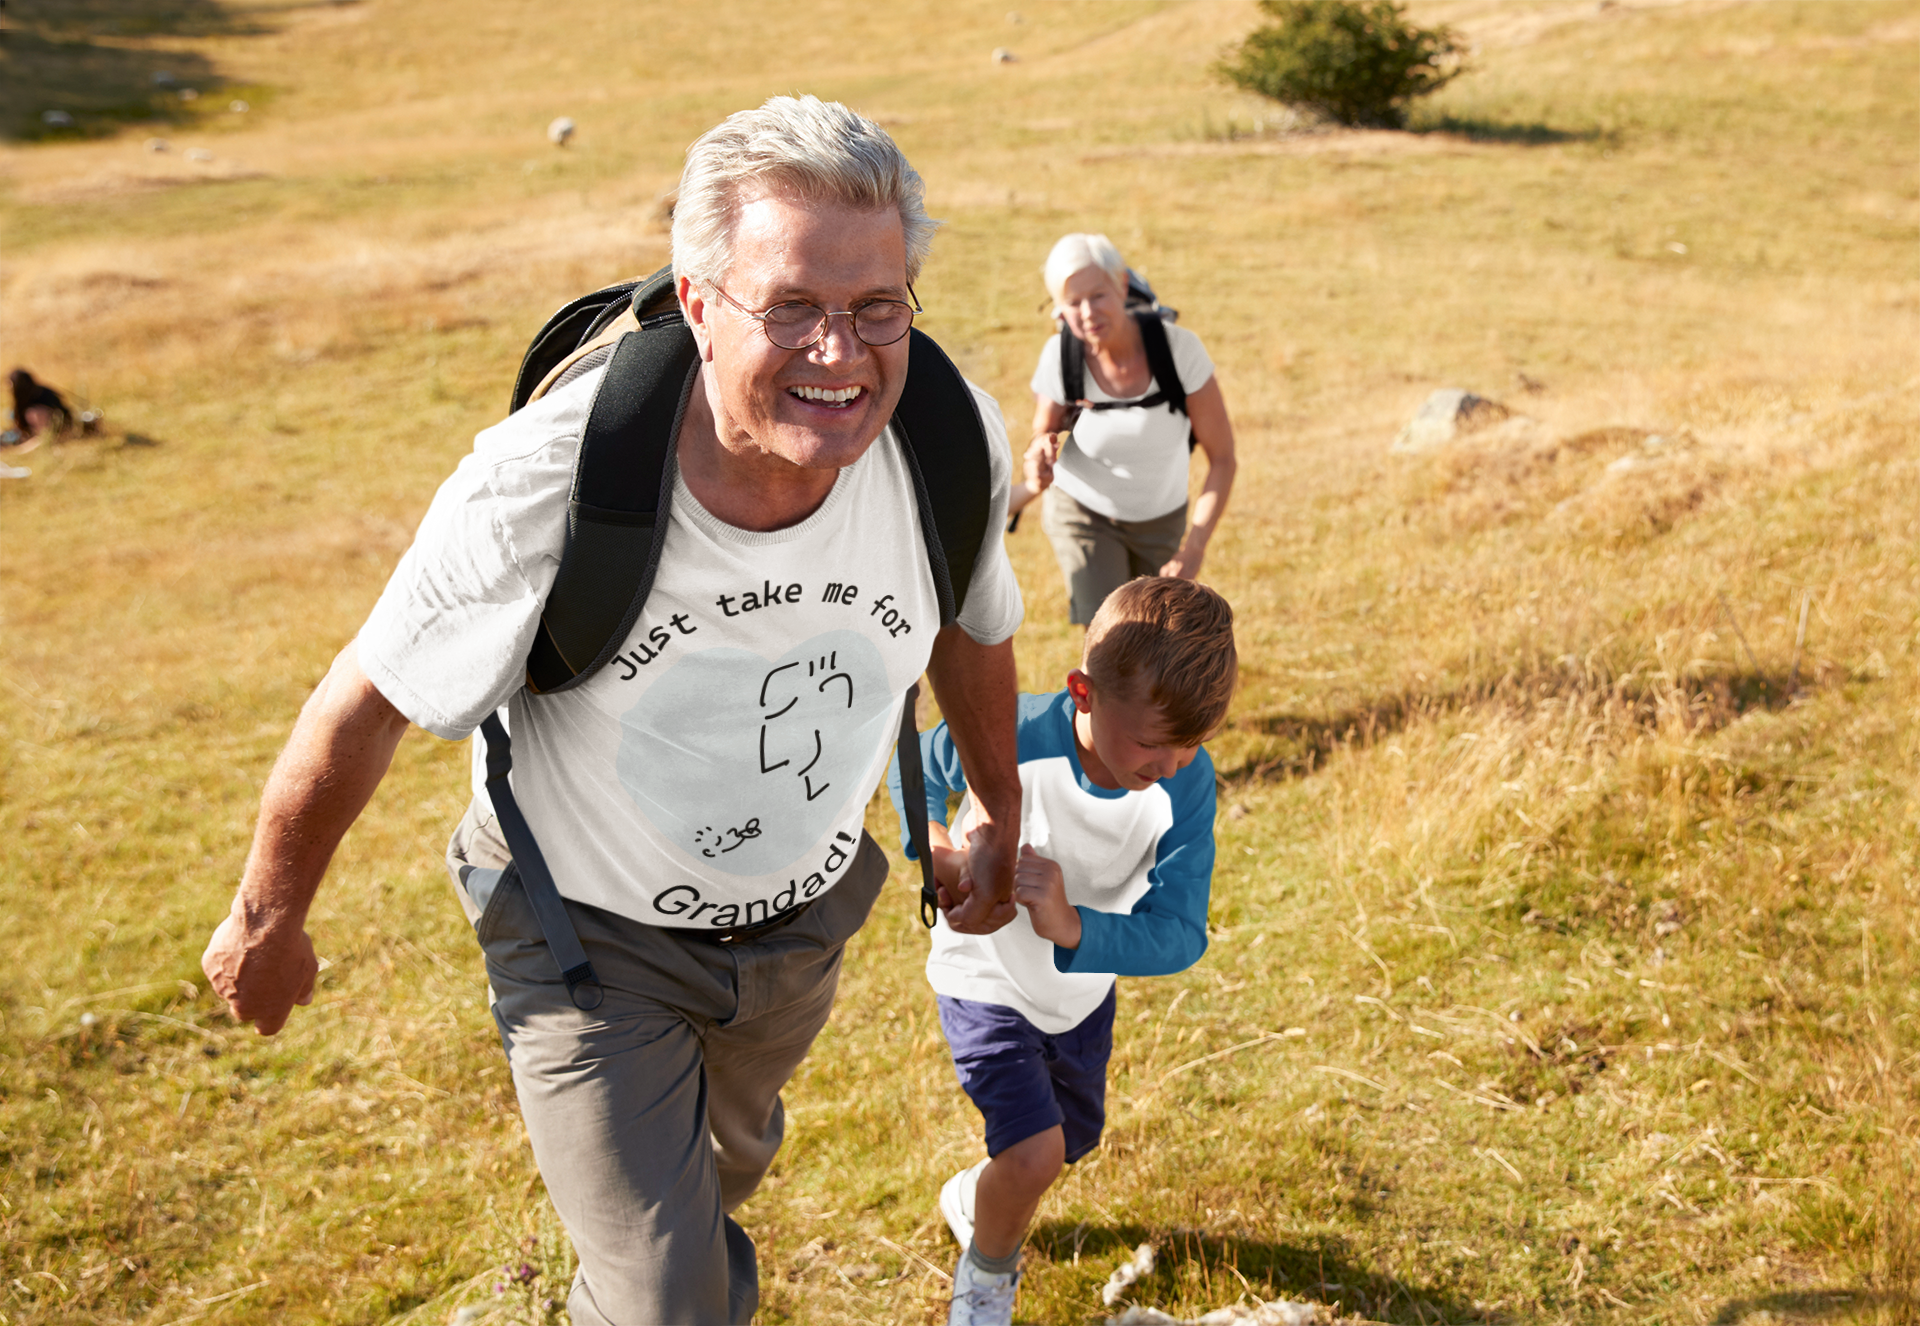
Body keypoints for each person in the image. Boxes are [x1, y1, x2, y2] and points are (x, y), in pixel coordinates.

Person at [200, 95, 1028, 1326]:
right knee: (668, 1298)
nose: (841, 355)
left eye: (876, 308)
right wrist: (268, 917)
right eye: (789, 306)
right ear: (699, 302)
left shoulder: (948, 444)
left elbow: (970, 620)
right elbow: (365, 700)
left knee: (711, 1189)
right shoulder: (547, 478)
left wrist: (999, 808)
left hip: (800, 925)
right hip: (586, 937)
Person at [889, 575, 1235, 1326]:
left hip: (1077, 997)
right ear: (1083, 692)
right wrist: (942, 851)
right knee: (1037, 1152)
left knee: (1069, 1141)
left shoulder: (1185, 786)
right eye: (1152, 742)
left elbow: (1181, 931)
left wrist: (1074, 926)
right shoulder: (1007, 733)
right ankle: (985, 1281)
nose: (1173, 763)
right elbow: (908, 770)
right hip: (983, 978)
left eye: (1192, 744)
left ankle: (973, 1196)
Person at [1014, 234, 1238, 626]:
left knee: (1159, 640)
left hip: (1160, 519)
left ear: (1121, 284)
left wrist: (1195, 547)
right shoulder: (1060, 356)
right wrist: (1039, 455)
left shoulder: (1179, 351)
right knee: (1110, 636)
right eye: (1072, 303)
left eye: (1098, 295)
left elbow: (1222, 459)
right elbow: (1042, 432)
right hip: (1083, 512)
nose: (1087, 312)